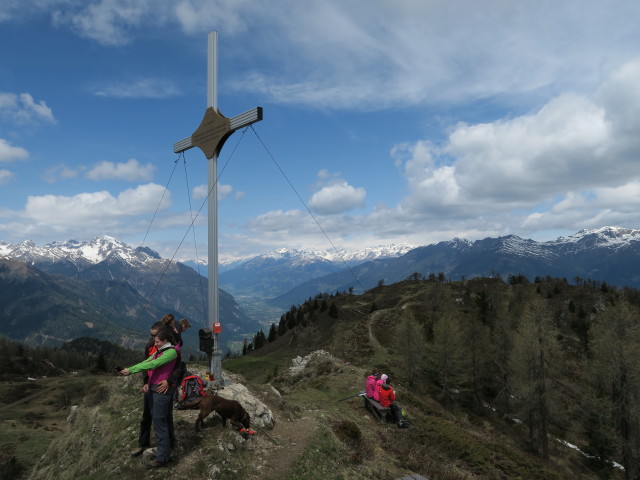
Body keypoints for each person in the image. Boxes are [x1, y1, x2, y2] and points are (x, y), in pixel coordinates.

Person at [121, 329, 178, 468]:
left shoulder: (171, 352)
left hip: (161, 390)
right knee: (161, 419)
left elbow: (153, 364)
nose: (155, 343)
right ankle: (167, 448)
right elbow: (147, 361)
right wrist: (130, 369)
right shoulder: (159, 351)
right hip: (154, 388)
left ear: (165, 341)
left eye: (157, 341)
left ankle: (162, 458)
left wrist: (131, 370)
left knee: (159, 422)